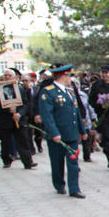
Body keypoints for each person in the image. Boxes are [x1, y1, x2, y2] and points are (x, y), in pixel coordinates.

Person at [39, 63, 87, 197]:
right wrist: (54, 133)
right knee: (57, 162)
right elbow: (47, 116)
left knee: (73, 162)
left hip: (71, 134)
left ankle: (74, 189)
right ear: (63, 76)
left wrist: (82, 131)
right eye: (69, 75)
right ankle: (59, 184)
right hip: (57, 135)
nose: (70, 78)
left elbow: (76, 114)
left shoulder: (70, 91)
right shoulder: (48, 91)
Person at [0, 69, 36, 169]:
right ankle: (6, 160)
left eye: (10, 75)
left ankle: (28, 162)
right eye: (5, 75)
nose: (7, 77)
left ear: (14, 77)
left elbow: (25, 104)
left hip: (18, 119)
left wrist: (19, 113)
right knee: (5, 142)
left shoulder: (20, 88)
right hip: (5, 120)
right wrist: (7, 109)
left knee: (23, 140)